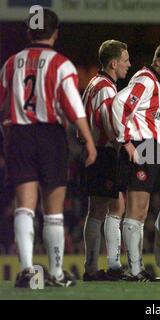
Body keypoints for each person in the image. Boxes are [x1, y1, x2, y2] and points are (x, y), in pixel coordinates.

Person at [0, 8, 97, 288]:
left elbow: (3, 106)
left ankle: (28, 270)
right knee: (53, 211)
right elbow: (73, 105)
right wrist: (87, 139)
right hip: (50, 136)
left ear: (29, 32)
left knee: (24, 208)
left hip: (19, 134)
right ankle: (55, 273)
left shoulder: (10, 64)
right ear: (55, 34)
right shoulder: (61, 64)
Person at [112, 41, 160, 281]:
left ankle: (135, 267)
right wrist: (126, 143)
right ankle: (133, 269)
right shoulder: (145, 80)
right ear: (159, 62)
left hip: (149, 147)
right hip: (141, 146)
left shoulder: (151, 81)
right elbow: (118, 105)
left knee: (141, 211)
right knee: (135, 210)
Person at [81, 40, 131, 281]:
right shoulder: (105, 87)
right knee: (107, 208)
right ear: (113, 63)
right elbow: (109, 123)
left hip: (95, 152)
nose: (128, 65)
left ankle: (95, 267)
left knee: (102, 209)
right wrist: (125, 143)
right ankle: (108, 266)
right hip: (104, 153)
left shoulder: (94, 83)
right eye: (125, 60)